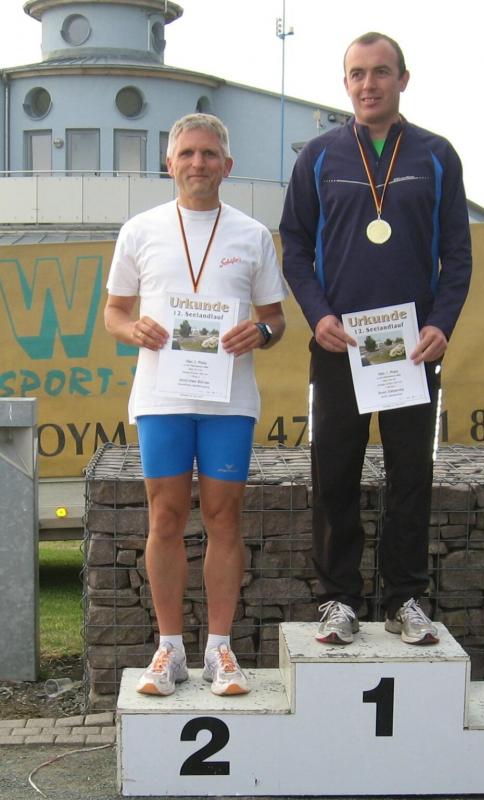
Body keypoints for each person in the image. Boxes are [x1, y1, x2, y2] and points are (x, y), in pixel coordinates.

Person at [280, 33, 471, 646]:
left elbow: (457, 255)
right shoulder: (319, 156)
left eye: (381, 72)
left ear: (402, 79)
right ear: (345, 84)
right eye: (357, 73)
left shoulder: (436, 155)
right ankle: (338, 600)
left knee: (410, 474)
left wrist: (442, 323)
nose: (369, 84)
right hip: (340, 346)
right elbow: (295, 247)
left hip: (411, 348)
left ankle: (403, 599)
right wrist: (317, 315)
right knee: (333, 474)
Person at [105, 113, 287, 695]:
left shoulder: (253, 235)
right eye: (186, 153)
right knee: (164, 517)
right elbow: (114, 313)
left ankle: (219, 649)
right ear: (169, 163)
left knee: (223, 518)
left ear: (227, 165)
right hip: (162, 397)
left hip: (229, 400)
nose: (197, 163)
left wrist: (259, 333)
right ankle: (169, 649)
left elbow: (276, 319)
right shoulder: (140, 230)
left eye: (209, 154)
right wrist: (132, 329)